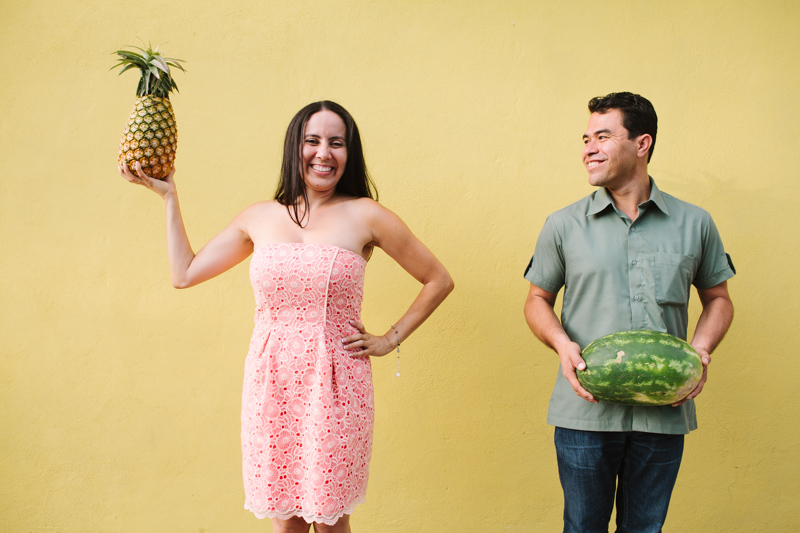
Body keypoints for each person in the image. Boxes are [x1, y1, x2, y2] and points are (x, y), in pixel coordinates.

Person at [119, 100, 454, 533]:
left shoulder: (367, 215)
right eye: (312, 140)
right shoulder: (260, 217)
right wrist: (169, 197)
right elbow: (184, 274)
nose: (323, 153)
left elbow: (438, 279)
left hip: (336, 384)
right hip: (271, 384)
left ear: (349, 154)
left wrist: (390, 338)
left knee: (332, 522)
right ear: (295, 148)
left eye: (337, 143)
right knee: (286, 523)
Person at [523, 92, 734, 532]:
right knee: (582, 527)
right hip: (584, 411)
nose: (588, 149)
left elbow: (718, 298)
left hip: (665, 408)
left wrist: (700, 350)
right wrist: (562, 345)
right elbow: (536, 300)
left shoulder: (695, 223)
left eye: (602, 136)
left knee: (645, 529)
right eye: (585, 139)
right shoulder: (562, 225)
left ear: (642, 144)